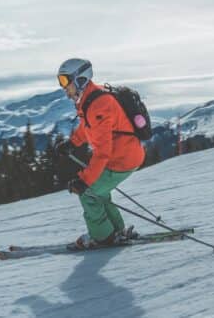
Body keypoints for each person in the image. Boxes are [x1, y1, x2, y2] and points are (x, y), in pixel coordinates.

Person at [55, 58, 146, 249]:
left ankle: (103, 237)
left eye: (65, 81)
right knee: (100, 193)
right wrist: (72, 143)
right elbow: (87, 128)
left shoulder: (98, 105)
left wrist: (85, 181)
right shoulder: (90, 100)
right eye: (60, 81)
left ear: (80, 79)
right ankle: (116, 231)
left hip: (122, 159)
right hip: (122, 156)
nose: (63, 87)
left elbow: (102, 153)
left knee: (88, 193)